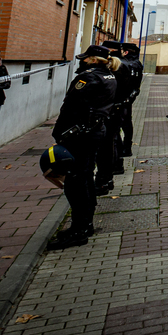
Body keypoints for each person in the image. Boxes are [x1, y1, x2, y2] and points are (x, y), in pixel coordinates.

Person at [49, 45, 117, 250]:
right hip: (93, 131)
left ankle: (79, 229)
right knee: (85, 177)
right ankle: (84, 225)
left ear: (94, 60)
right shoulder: (109, 76)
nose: (83, 61)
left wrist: (60, 132)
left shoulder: (88, 78)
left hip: (80, 134)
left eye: (86, 58)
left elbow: (71, 105)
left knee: (76, 181)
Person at [95, 41, 136, 194]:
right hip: (116, 109)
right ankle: (113, 170)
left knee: (109, 143)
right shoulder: (122, 66)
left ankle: (106, 177)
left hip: (110, 111)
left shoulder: (115, 69)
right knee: (113, 139)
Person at [118, 43, 143, 156]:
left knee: (123, 123)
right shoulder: (137, 64)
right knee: (127, 122)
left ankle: (124, 148)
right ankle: (127, 147)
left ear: (126, 52)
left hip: (122, 97)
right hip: (129, 97)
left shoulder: (126, 64)